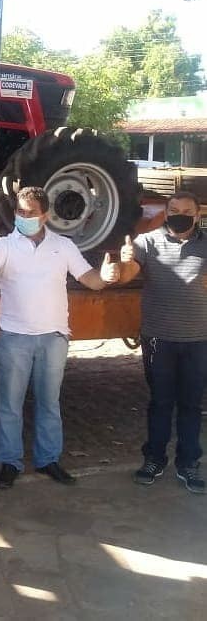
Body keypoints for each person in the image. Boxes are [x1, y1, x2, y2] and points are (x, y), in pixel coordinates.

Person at [0, 186, 119, 489]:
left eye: (30, 212)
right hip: (14, 337)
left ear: (45, 215)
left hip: (53, 337)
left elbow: (89, 279)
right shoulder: (4, 245)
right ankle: (9, 463)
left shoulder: (63, 246)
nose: (23, 217)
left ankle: (48, 459)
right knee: (9, 405)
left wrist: (106, 276)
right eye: (19, 212)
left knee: (49, 403)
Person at [117, 191, 207, 494]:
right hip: (159, 339)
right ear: (166, 212)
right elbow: (128, 274)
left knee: (191, 405)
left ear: (197, 214)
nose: (179, 214)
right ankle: (154, 459)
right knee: (160, 403)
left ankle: (188, 463)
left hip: (199, 340)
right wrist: (124, 263)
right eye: (173, 209)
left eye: (186, 210)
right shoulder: (147, 241)